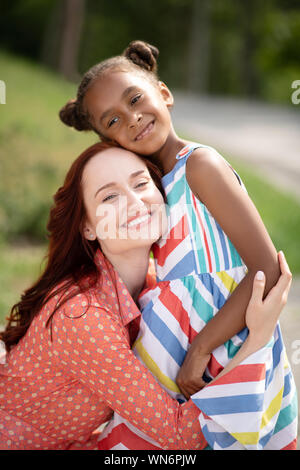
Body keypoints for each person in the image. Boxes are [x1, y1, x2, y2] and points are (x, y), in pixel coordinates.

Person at [58, 41, 298, 449]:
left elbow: (267, 269)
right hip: (171, 346)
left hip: (224, 345)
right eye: (113, 120)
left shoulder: (199, 166)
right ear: (108, 141)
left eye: (136, 99)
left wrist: (202, 348)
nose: (132, 118)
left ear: (164, 94)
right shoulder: (149, 188)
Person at [0, 143, 293, 450]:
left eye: (141, 183)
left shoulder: (159, 285)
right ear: (87, 227)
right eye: (110, 196)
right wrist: (255, 342)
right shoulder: (83, 316)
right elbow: (179, 437)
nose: (134, 201)